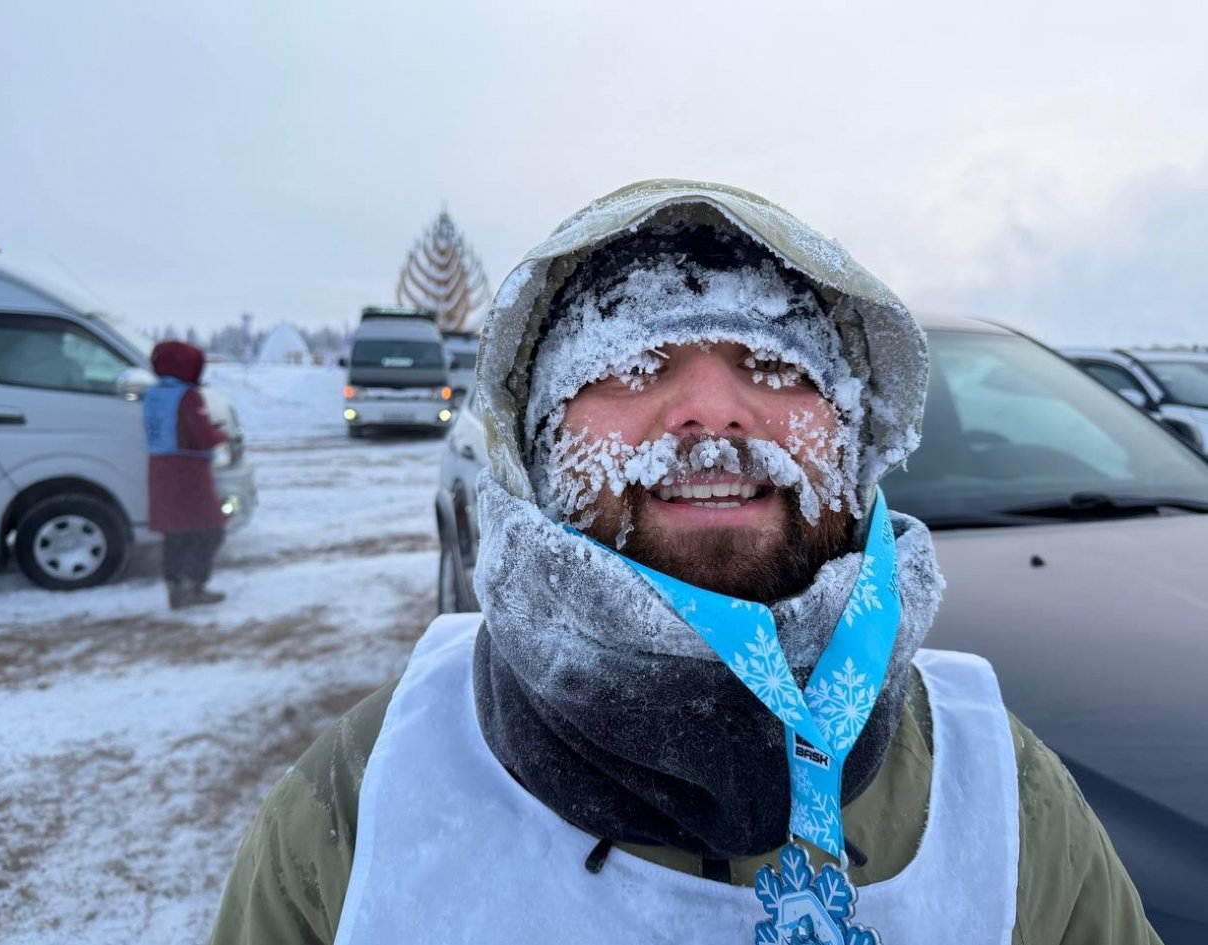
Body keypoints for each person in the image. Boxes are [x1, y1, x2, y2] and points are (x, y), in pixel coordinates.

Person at [210, 181, 1158, 944]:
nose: (711, 410)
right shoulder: (361, 805)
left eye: (779, 369)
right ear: (538, 449)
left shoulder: (1002, 794)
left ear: (855, 441)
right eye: (632, 368)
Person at [143, 340, 229, 610]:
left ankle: (175, 589)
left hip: (160, 468)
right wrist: (221, 433)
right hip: (188, 472)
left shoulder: (154, 394)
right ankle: (195, 586)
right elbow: (201, 437)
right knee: (210, 530)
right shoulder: (187, 396)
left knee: (175, 533)